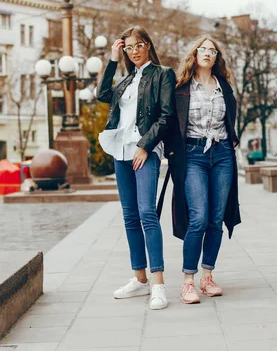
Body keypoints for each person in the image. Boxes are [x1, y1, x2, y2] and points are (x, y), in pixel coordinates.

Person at [97, 25, 176, 310]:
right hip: (121, 151)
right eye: (128, 47)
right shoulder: (125, 81)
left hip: (145, 151)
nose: (134, 51)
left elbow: (166, 115)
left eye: (138, 45)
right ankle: (139, 279)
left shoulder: (162, 74)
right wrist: (111, 60)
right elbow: (102, 94)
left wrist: (145, 145)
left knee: (147, 213)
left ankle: (158, 284)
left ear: (148, 45)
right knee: (130, 216)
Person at [163, 35, 241, 304]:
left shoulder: (225, 89)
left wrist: (233, 139)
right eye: (203, 49)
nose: (208, 53)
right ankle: (188, 281)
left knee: (216, 218)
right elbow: (170, 123)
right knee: (198, 216)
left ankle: (207, 277)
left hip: (222, 155)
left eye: (213, 51)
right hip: (193, 155)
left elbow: (230, 120)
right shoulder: (181, 88)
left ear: (217, 57)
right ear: (194, 54)